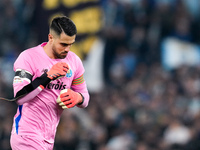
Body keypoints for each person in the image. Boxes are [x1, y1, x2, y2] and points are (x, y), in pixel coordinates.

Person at [10, 15, 90, 150]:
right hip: (26, 135)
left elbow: (84, 96)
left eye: (71, 44)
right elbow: (20, 97)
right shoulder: (28, 57)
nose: (67, 49)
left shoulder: (74, 62)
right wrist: (47, 77)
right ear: (50, 38)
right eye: (63, 44)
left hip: (48, 139)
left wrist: (77, 98)